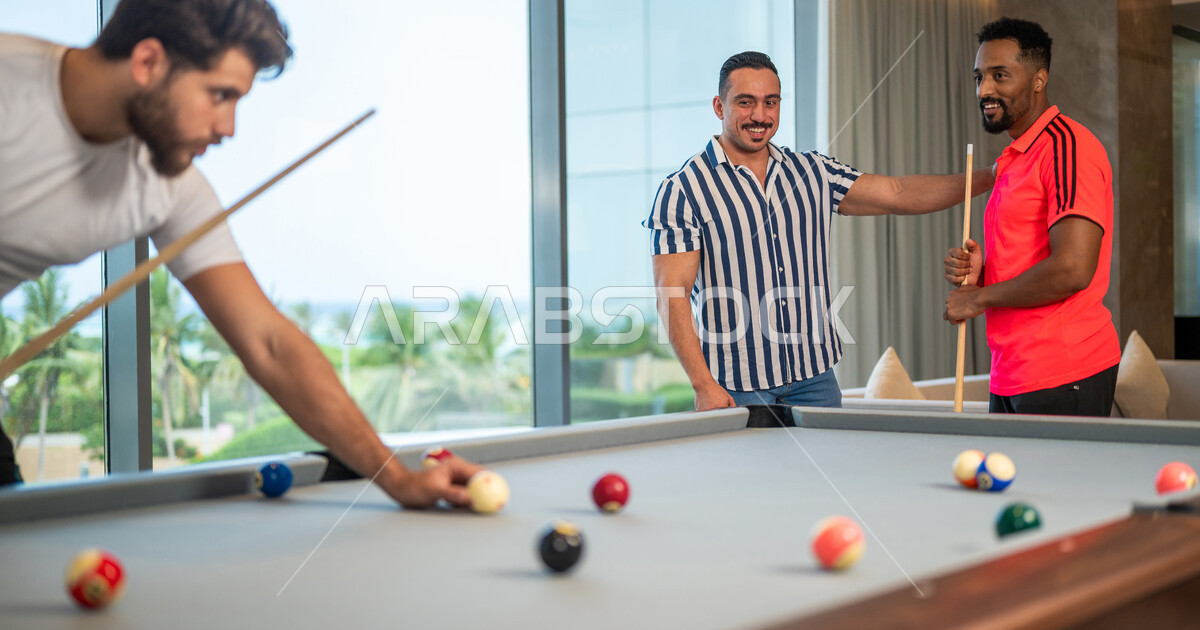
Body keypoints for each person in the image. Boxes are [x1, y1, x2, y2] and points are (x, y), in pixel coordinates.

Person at [0, 0, 483, 503]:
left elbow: (269, 343)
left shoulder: (169, 186)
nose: (228, 128)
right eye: (219, 95)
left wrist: (397, 478)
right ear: (147, 62)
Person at [645, 51, 995, 412]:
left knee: (826, 471)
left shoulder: (813, 171)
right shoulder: (683, 190)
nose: (760, 116)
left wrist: (994, 175)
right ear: (720, 106)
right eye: (745, 103)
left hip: (816, 382)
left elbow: (898, 193)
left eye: (771, 102)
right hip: (737, 390)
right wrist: (704, 386)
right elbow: (671, 294)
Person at [943, 18, 1119, 417]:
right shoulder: (1013, 160)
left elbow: (1072, 268)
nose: (984, 90)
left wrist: (978, 298)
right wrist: (982, 274)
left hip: (1064, 370)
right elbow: (1029, 261)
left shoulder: (1066, 147)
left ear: (1039, 80)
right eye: (979, 77)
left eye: (1000, 76)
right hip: (1011, 371)